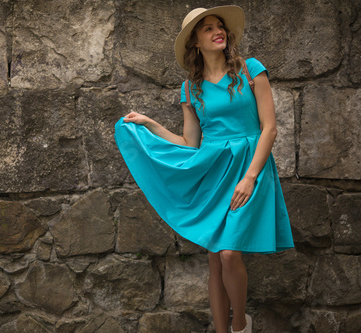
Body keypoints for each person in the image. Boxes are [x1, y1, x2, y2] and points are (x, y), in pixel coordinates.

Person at [114, 5, 294, 333]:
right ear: (196, 41)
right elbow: (189, 142)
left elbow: (269, 129)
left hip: (249, 168)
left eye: (219, 25)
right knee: (215, 261)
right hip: (214, 172)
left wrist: (250, 178)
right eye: (207, 28)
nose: (216, 31)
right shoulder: (190, 88)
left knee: (228, 255)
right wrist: (149, 124)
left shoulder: (251, 70)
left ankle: (240, 324)